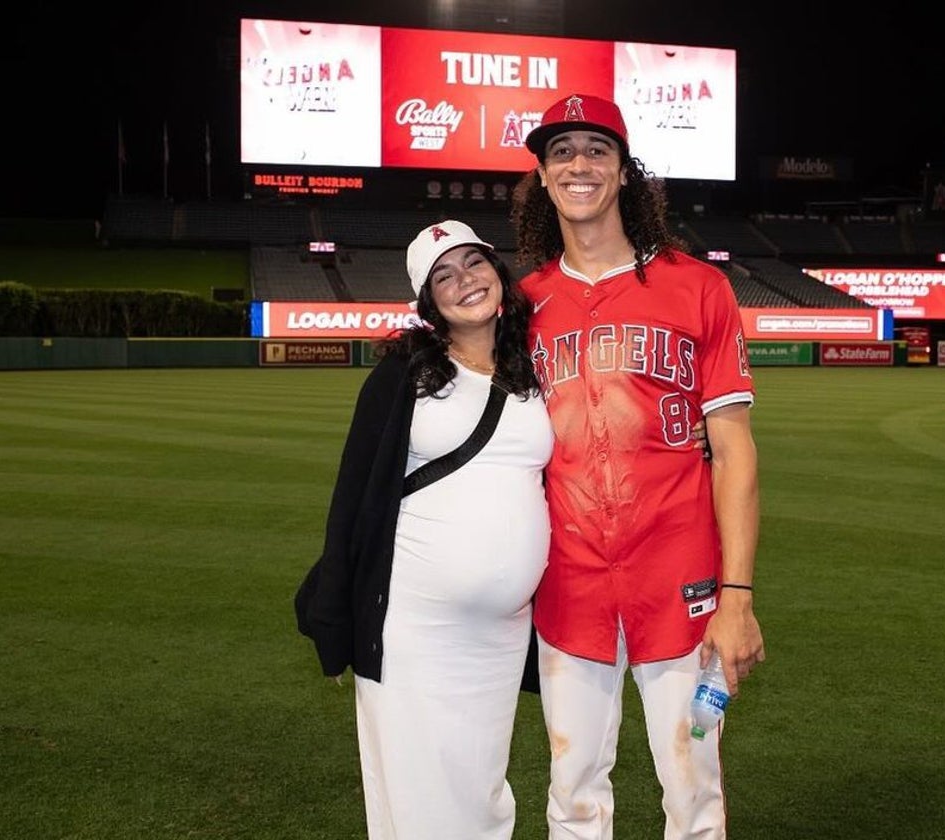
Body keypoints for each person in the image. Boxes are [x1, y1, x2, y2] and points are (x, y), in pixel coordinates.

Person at [511, 92, 766, 839]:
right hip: (568, 580)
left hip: (680, 577)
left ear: (624, 171)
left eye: (596, 150)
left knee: (693, 792)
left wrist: (739, 595)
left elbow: (736, 449)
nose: (579, 164)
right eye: (562, 152)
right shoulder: (524, 306)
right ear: (544, 177)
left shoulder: (698, 286)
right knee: (573, 788)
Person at [293, 219, 551, 840]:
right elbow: (353, 498)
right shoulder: (405, 374)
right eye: (444, 275)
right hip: (416, 624)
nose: (465, 281)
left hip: (502, 634)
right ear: (427, 300)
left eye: (473, 263)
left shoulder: (535, 369)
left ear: (498, 271)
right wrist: (335, 618)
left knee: (481, 783)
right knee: (416, 788)